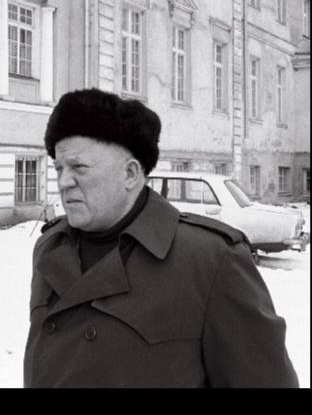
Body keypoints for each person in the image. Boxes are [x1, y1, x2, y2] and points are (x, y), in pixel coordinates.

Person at [24, 88, 298, 388]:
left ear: (130, 174)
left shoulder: (210, 260)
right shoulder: (50, 248)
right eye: (59, 167)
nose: (63, 182)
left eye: (79, 167)